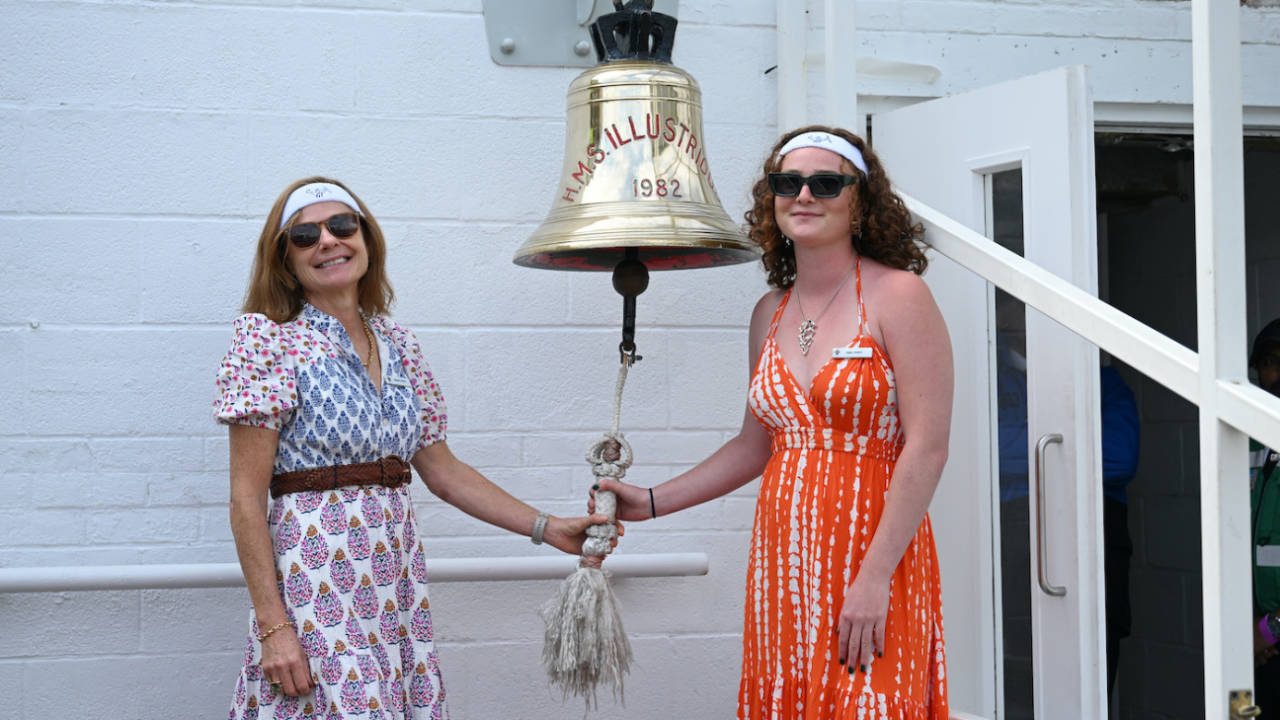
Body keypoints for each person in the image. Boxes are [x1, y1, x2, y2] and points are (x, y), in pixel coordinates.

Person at [214, 177, 612, 719]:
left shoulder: (398, 342)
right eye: (305, 236)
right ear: (285, 261)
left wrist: (546, 527)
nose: (327, 241)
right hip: (316, 580)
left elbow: (443, 471)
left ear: (367, 239)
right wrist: (274, 625)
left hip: (392, 580)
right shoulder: (268, 341)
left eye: (342, 226)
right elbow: (244, 500)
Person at [593, 126, 952, 718]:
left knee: (871, 703)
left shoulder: (899, 295)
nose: (804, 195)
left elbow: (928, 448)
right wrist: (650, 501)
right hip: (783, 562)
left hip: (873, 554)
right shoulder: (770, 311)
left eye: (825, 182)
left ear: (860, 199)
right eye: (787, 182)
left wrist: (874, 578)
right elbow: (753, 447)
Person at [994, 323, 1139, 718]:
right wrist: (1075, 443)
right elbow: (985, 445)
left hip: (1098, 542)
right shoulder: (987, 372)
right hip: (1010, 542)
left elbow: (1119, 457)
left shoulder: (1101, 378)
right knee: (1012, 688)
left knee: (1090, 683)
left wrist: (1024, 446)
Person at [1251, 318, 1280, 717]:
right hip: (1249, 644)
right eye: (1271, 362)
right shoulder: (1246, 439)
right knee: (1240, 711)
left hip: (1266, 636)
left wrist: (1268, 630)